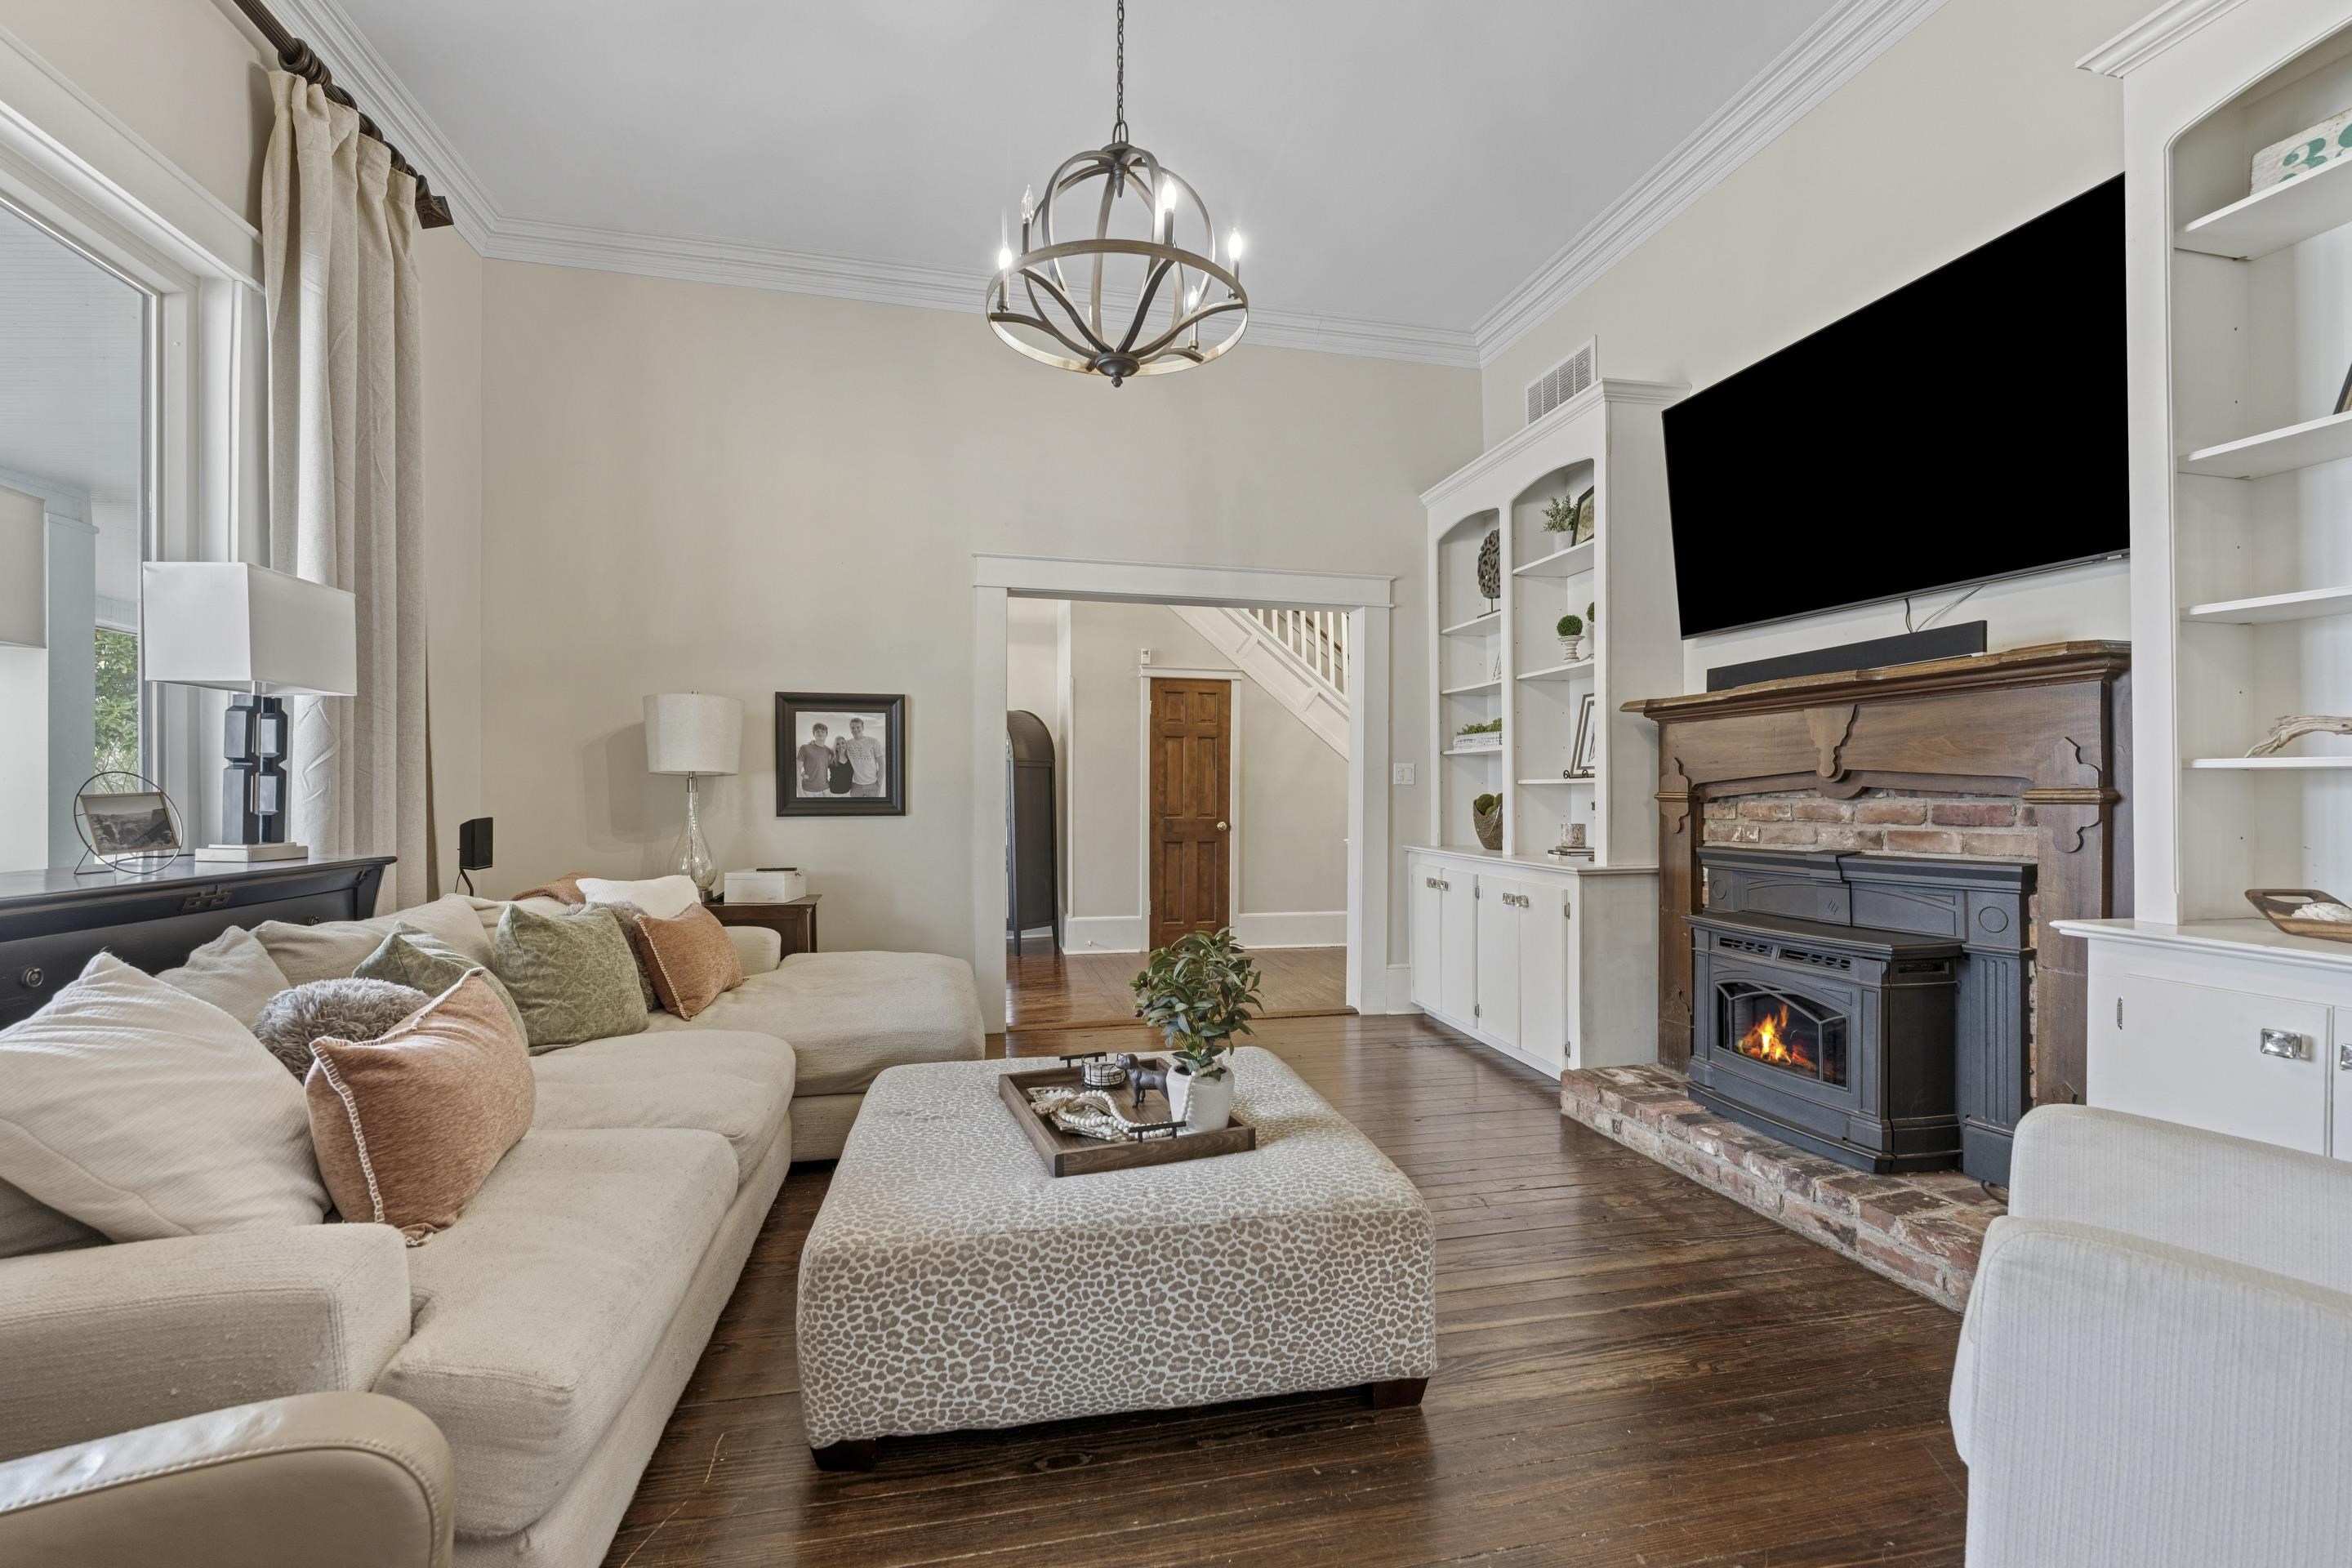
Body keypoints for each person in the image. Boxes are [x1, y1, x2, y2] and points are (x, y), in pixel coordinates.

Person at [843, 715, 886, 798]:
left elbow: (881, 764)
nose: (855, 729)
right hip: (855, 785)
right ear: (850, 729)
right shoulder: (847, 744)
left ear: (863, 728)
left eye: (858, 727)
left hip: (872, 784)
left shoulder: (873, 741)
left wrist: (879, 783)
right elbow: (836, 750)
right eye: (853, 728)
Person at [796, 722, 834, 796]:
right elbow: (797, 770)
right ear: (814, 734)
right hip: (808, 791)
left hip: (826, 790)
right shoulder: (805, 748)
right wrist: (800, 791)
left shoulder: (828, 751)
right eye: (817, 731)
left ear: (826, 734)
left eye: (823, 731)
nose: (820, 733)